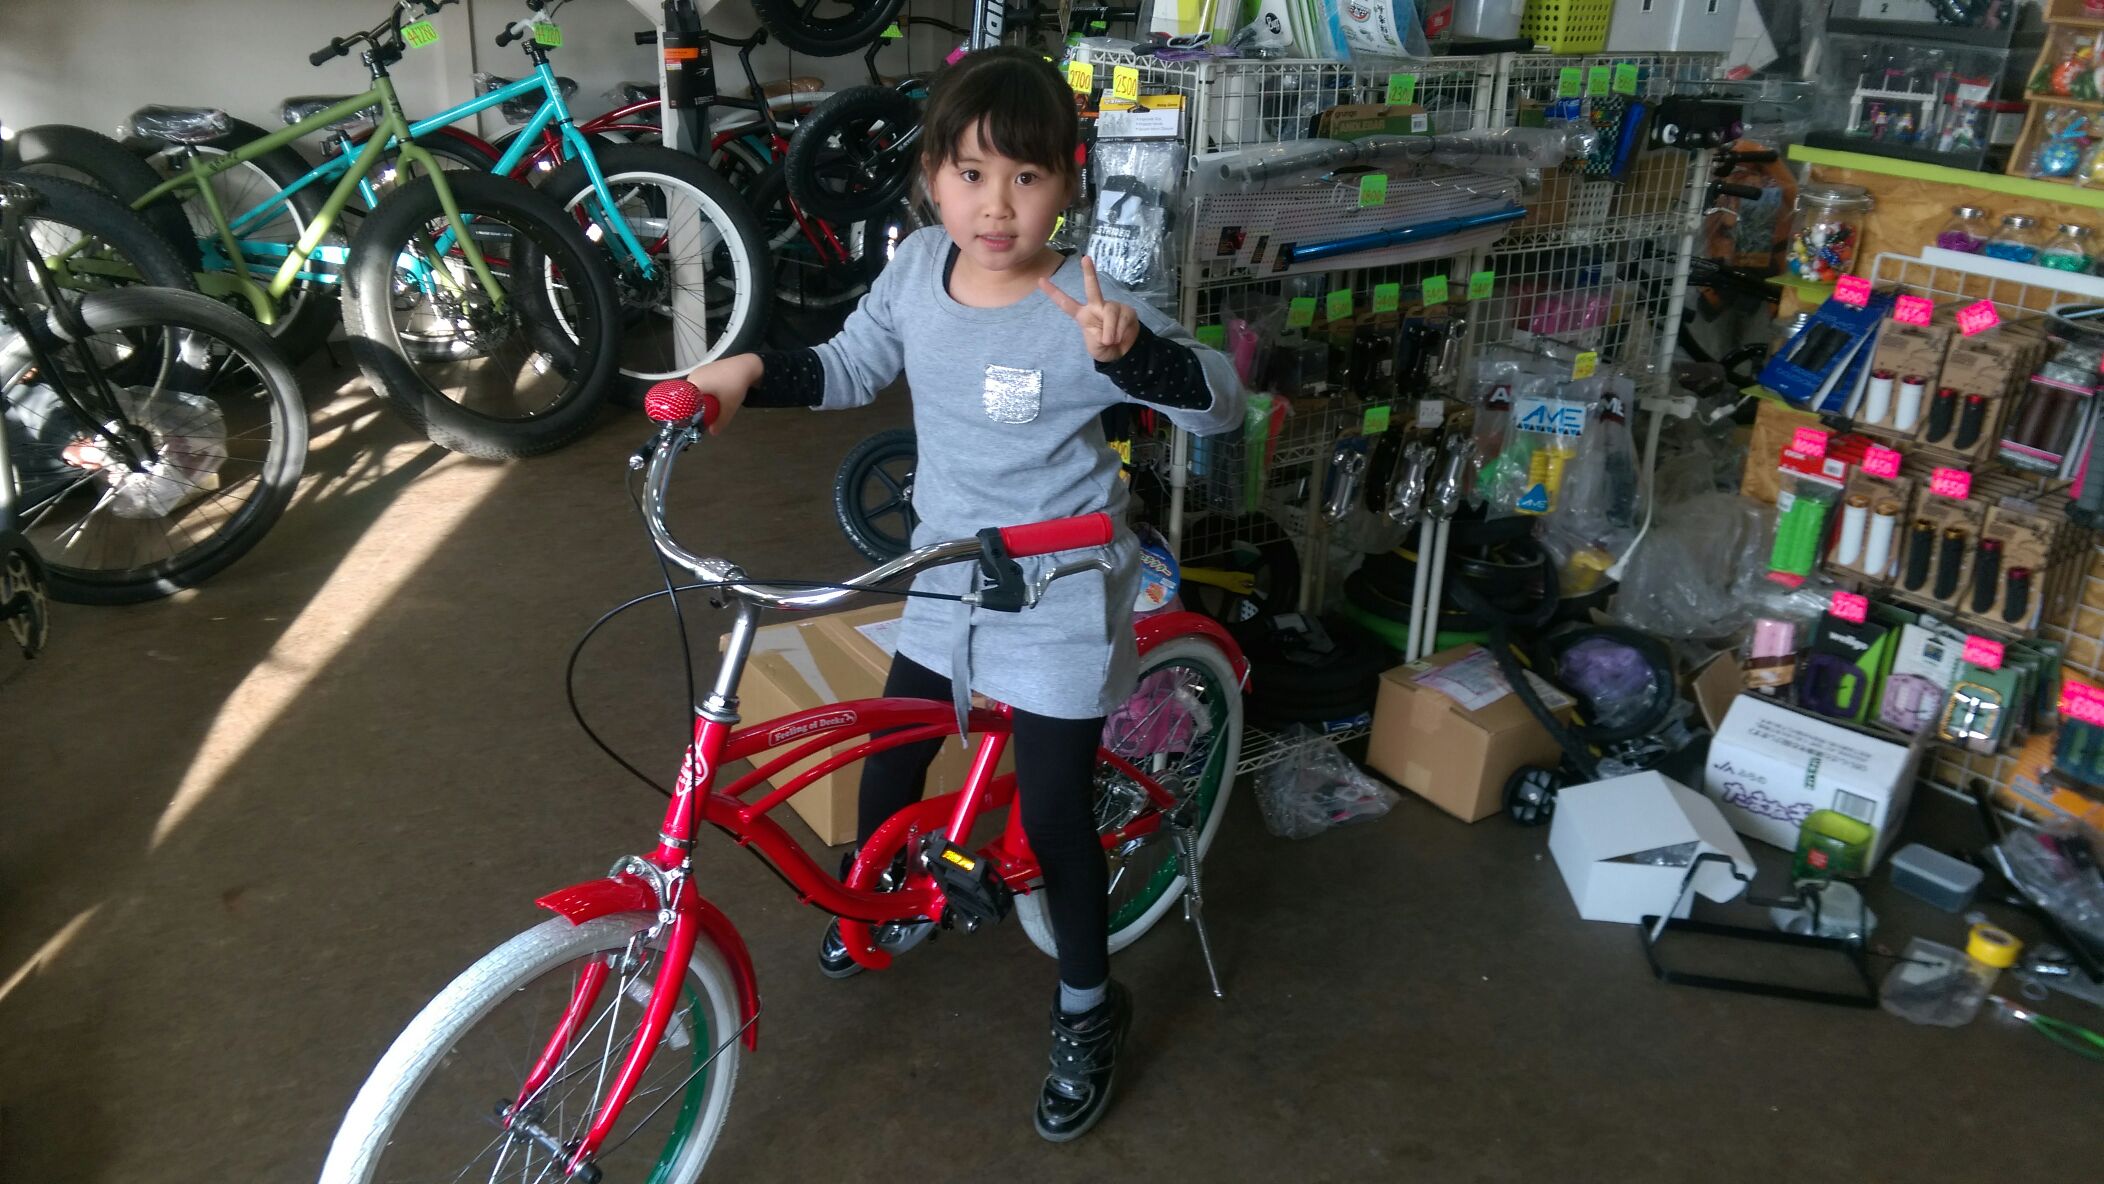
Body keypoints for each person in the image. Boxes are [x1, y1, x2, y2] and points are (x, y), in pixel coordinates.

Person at [681, 46, 1244, 1141]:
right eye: (972, 173)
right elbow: (850, 365)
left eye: (1027, 177)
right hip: (944, 572)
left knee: (1054, 813)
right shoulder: (916, 272)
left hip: (1060, 586)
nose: (997, 205)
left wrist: (1135, 360)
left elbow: (1219, 404)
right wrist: (746, 370)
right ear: (931, 178)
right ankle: (890, 898)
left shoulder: (1088, 303)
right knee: (892, 751)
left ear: (1068, 183)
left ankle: (1088, 1004)